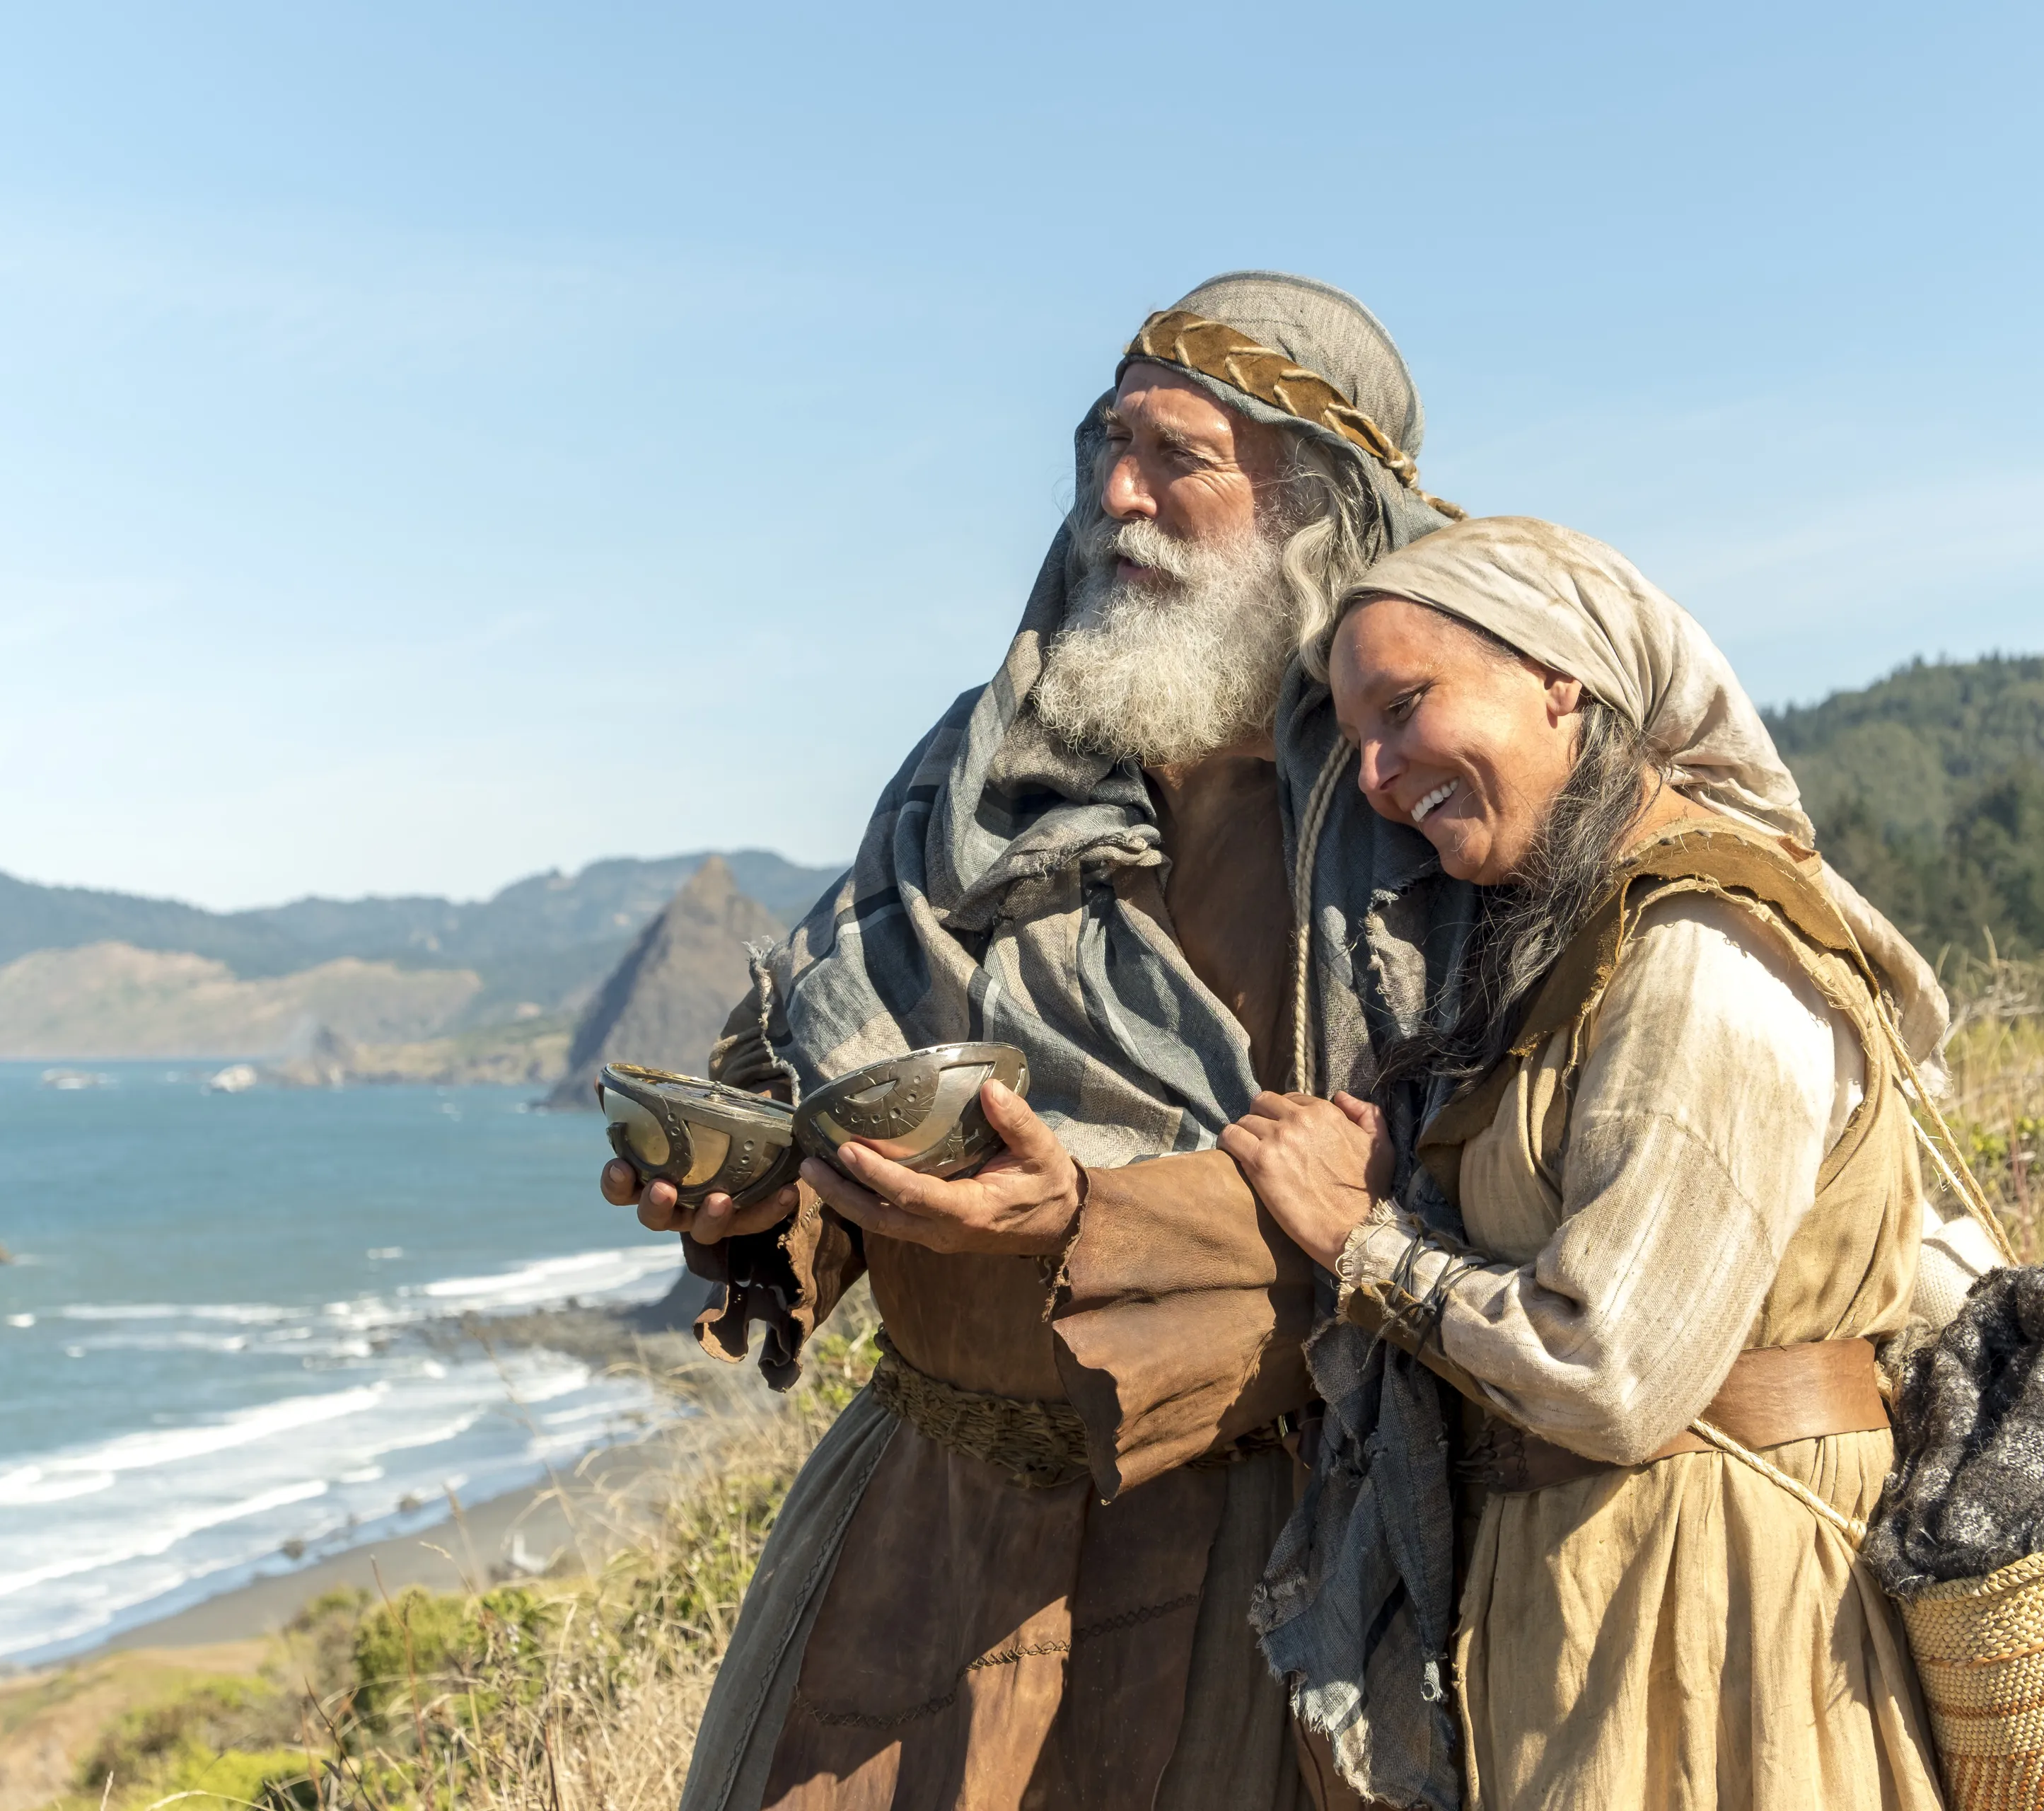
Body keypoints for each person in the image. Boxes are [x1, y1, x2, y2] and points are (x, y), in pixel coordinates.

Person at [604, 272, 1471, 1811]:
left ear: (1322, 507)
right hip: (914, 1556)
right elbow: (824, 1047)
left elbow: (1466, 1189)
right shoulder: (975, 769)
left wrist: (1100, 1218)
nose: (1112, 499)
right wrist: (767, 1196)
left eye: (1173, 456)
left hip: (1244, 1570)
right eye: (1097, 450)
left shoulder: (1414, 819)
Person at [1224, 516, 1952, 1810]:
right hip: (1588, 1588)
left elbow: (1614, 1371)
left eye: (1407, 709)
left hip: (1717, 1610)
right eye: (1358, 745)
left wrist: (1364, 1242)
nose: (1384, 776)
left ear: (1561, 680)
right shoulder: (1593, 945)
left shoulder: (1704, 956)